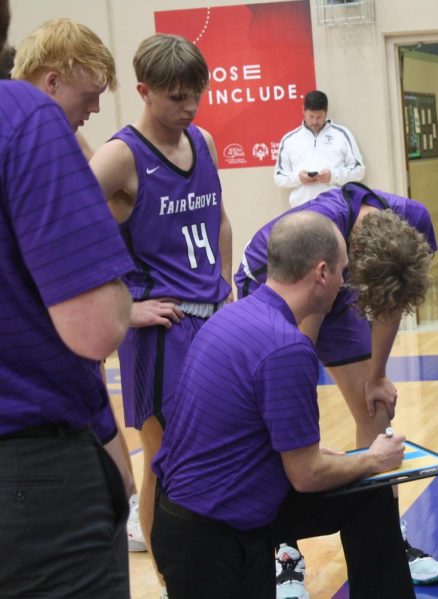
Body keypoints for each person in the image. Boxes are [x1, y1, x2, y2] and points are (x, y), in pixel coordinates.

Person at [152, 212, 414, 599]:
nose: (346, 283)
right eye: (343, 271)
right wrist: (374, 459)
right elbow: (306, 475)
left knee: (367, 492)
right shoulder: (286, 347)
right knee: (371, 476)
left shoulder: (232, 317)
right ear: (321, 272)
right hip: (214, 540)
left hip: (191, 516)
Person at [235, 182, 438, 587]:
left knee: (377, 406)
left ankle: (384, 537)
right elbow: (295, 356)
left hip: (332, 286)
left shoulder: (414, 219)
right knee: (281, 419)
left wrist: (378, 376)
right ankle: (284, 550)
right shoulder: (321, 234)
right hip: (278, 285)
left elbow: (392, 300)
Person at [0, 1, 134, 594]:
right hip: (31, 468)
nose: (97, 108)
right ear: (52, 82)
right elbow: (97, 327)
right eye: (91, 93)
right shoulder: (25, 118)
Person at [89, 33, 232, 591]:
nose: (190, 107)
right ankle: (173, 577)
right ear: (144, 92)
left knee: (220, 445)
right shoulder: (121, 154)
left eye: (196, 94)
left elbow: (218, 219)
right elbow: (64, 228)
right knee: (165, 459)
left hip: (211, 316)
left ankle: (214, 560)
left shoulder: (205, 141)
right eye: (176, 97)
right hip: (160, 327)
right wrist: (124, 308)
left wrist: (226, 292)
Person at [274, 89, 365, 207]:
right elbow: (279, 177)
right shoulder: (289, 139)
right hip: (302, 208)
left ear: (326, 112)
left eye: (319, 117)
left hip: (335, 206)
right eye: (311, 116)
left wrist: (333, 176)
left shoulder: (342, 134)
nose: (315, 121)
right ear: (303, 110)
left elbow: (359, 171)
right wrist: (298, 178)